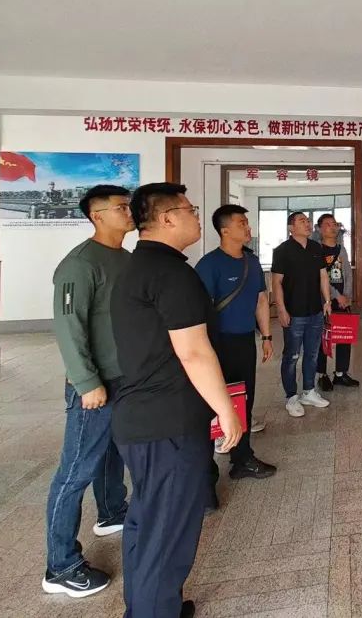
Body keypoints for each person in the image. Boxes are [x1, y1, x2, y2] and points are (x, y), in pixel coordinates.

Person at [111, 183, 242, 618]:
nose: (195, 217)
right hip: (169, 422)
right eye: (190, 210)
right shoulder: (171, 274)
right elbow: (194, 351)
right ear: (167, 218)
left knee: (147, 524)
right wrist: (226, 411)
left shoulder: (138, 267)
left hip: (142, 419)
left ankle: (148, 607)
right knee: (167, 533)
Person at [42, 185, 134, 599]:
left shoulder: (125, 259)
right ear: (97, 216)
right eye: (121, 208)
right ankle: (60, 566)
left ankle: (112, 511)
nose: (129, 213)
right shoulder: (79, 265)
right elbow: (69, 326)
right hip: (95, 385)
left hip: (123, 377)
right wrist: (86, 382)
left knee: (112, 454)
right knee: (76, 471)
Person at [195, 204, 276, 481]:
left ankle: (242, 458)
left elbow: (261, 300)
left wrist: (266, 336)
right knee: (214, 400)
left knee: (244, 397)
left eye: (247, 222)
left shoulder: (251, 262)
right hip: (217, 343)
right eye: (241, 223)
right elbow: (198, 310)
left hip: (244, 341)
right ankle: (205, 470)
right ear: (225, 230)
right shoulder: (209, 265)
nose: (248, 227)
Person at [271, 211, 332, 417]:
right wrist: (281, 309)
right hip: (293, 313)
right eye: (301, 221)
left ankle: (309, 391)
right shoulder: (282, 250)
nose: (307, 223)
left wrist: (327, 301)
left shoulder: (316, 248)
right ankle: (291, 396)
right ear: (291, 228)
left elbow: (323, 276)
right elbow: (276, 282)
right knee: (292, 356)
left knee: (312, 353)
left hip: (315, 311)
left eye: (308, 220)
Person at [315, 213, 359, 391]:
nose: (332, 227)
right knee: (323, 339)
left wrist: (347, 296)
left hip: (342, 301)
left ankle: (341, 374)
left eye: (334, 224)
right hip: (323, 301)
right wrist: (335, 295)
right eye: (328, 224)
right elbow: (319, 277)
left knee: (344, 337)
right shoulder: (316, 250)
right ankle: (322, 375)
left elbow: (347, 273)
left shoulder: (341, 249)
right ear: (319, 229)